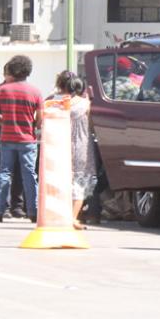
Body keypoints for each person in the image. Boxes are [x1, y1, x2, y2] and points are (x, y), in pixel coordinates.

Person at [0, 55, 43, 223]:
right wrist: (33, 126)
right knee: (29, 175)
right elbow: (40, 118)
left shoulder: (1, 91)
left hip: (6, 138)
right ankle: (33, 212)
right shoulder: (35, 92)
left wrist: (3, 122)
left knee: (4, 173)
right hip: (27, 140)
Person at [52, 70, 97, 229]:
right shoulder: (85, 104)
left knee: (61, 182)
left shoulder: (55, 103)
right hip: (81, 147)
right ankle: (71, 218)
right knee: (80, 183)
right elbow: (92, 124)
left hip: (59, 146)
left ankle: (60, 216)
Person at [0, 66, 26, 218]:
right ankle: (4, 206)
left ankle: (17, 206)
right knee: (4, 171)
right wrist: (5, 122)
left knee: (20, 171)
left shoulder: (23, 89)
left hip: (21, 135)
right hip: (3, 135)